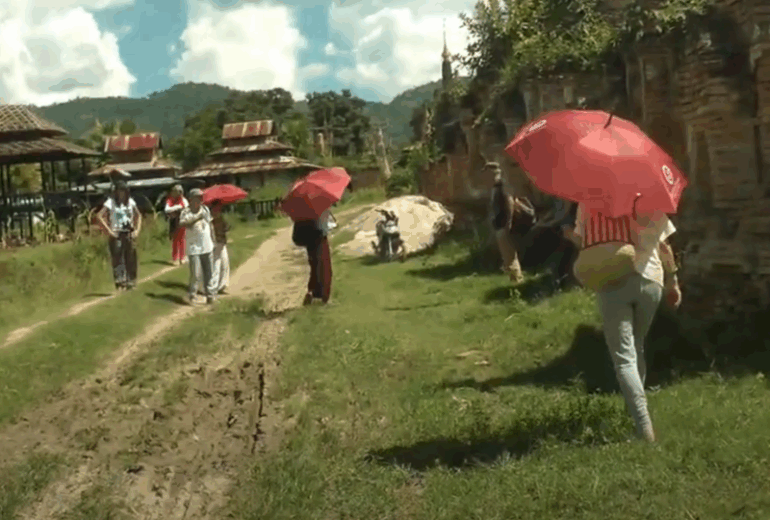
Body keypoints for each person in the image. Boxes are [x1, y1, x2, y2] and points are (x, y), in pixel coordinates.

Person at [572, 204, 682, 443]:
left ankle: (643, 428)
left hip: (613, 279)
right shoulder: (650, 198)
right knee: (637, 346)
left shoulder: (588, 202)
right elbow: (664, 246)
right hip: (651, 281)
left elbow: (584, 244)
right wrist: (673, 281)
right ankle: (634, 410)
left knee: (624, 358)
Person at [488, 165, 534, 283]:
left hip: (503, 223)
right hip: (500, 222)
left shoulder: (502, 184)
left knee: (509, 254)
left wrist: (508, 222)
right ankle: (514, 277)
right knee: (508, 254)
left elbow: (509, 202)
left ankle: (516, 278)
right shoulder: (497, 186)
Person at [97, 181, 142, 291]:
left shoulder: (130, 202)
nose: (121, 193)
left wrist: (137, 230)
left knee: (131, 257)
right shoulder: (111, 202)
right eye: (119, 190)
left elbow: (139, 215)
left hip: (128, 232)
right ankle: (120, 282)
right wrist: (109, 231)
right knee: (118, 258)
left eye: (123, 190)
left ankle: (131, 281)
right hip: (117, 232)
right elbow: (99, 215)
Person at [179, 188, 216, 304]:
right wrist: (196, 218)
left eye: (201, 197)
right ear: (191, 199)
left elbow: (210, 224)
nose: (200, 200)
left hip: (207, 245)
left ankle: (210, 295)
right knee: (195, 273)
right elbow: (182, 223)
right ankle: (192, 295)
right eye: (197, 197)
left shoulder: (205, 209)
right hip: (193, 246)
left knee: (209, 272)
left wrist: (213, 239)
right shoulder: (186, 212)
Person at [294, 210, 335, 306]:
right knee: (325, 269)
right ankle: (323, 299)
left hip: (309, 239)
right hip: (319, 237)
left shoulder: (304, 209)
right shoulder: (317, 208)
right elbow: (325, 224)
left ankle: (312, 292)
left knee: (315, 267)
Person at [164, 184, 188, 265]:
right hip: (174, 222)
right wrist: (177, 207)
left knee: (182, 239)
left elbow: (186, 207)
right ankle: (175, 258)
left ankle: (182, 257)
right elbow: (167, 209)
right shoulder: (170, 200)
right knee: (175, 240)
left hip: (181, 221)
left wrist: (178, 207)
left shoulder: (183, 200)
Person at [210, 200, 230, 294]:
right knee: (216, 265)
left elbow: (226, 229)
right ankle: (213, 287)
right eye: (217, 207)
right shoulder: (210, 220)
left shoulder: (221, 218)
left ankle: (223, 285)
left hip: (222, 243)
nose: (219, 209)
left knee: (225, 263)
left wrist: (226, 227)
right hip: (214, 244)